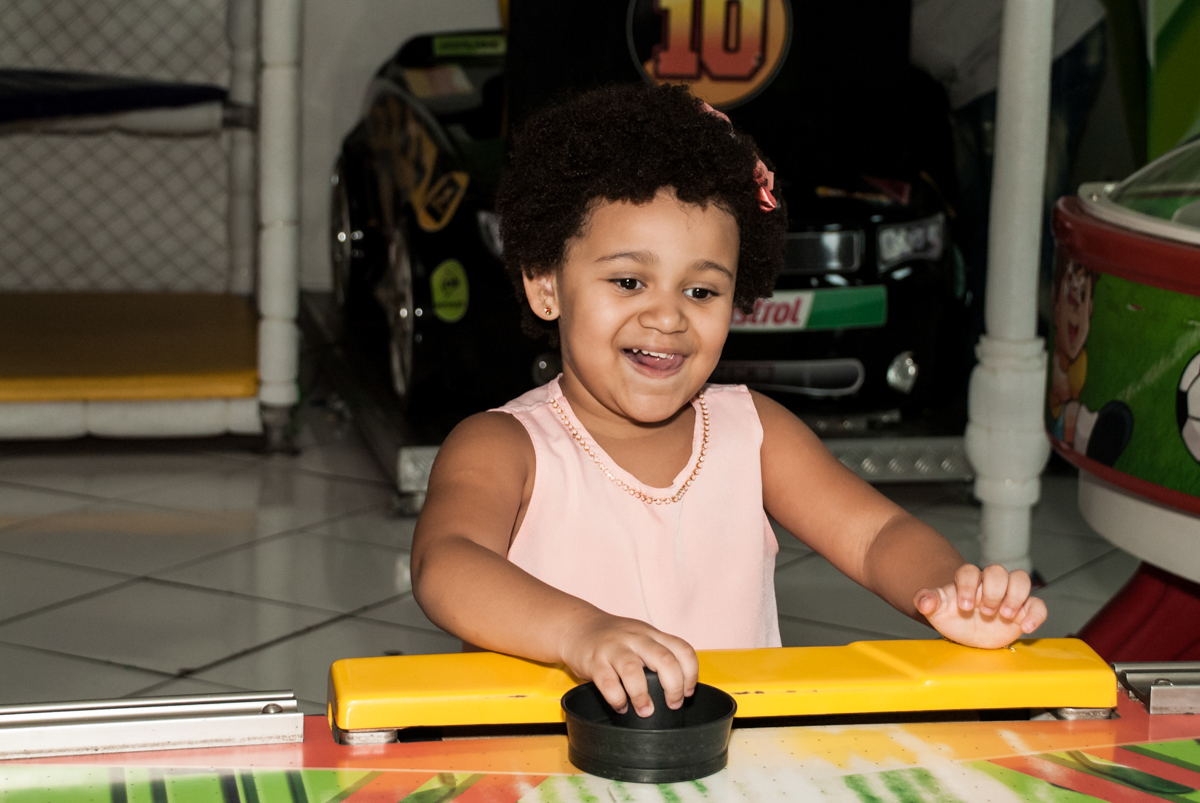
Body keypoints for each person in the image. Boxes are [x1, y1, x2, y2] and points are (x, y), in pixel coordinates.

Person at [410, 84, 1047, 721]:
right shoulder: (504, 445)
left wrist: (945, 591)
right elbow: (447, 562)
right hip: (547, 769)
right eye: (629, 281)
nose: (667, 316)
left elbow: (879, 534)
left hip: (734, 768)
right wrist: (581, 633)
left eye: (701, 291)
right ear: (546, 284)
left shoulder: (755, 432)